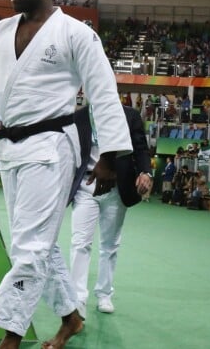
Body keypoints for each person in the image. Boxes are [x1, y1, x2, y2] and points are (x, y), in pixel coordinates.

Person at [0, 0, 132, 349]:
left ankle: (9, 337)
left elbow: (103, 91)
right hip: (10, 148)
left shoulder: (75, 33)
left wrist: (110, 156)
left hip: (52, 146)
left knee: (30, 248)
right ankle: (71, 318)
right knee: (36, 241)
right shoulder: (2, 30)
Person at [69, 105, 152, 320]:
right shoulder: (79, 115)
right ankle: (78, 299)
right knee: (80, 242)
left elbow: (141, 148)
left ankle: (104, 294)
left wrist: (145, 172)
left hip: (117, 187)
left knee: (110, 244)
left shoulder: (130, 115)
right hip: (86, 186)